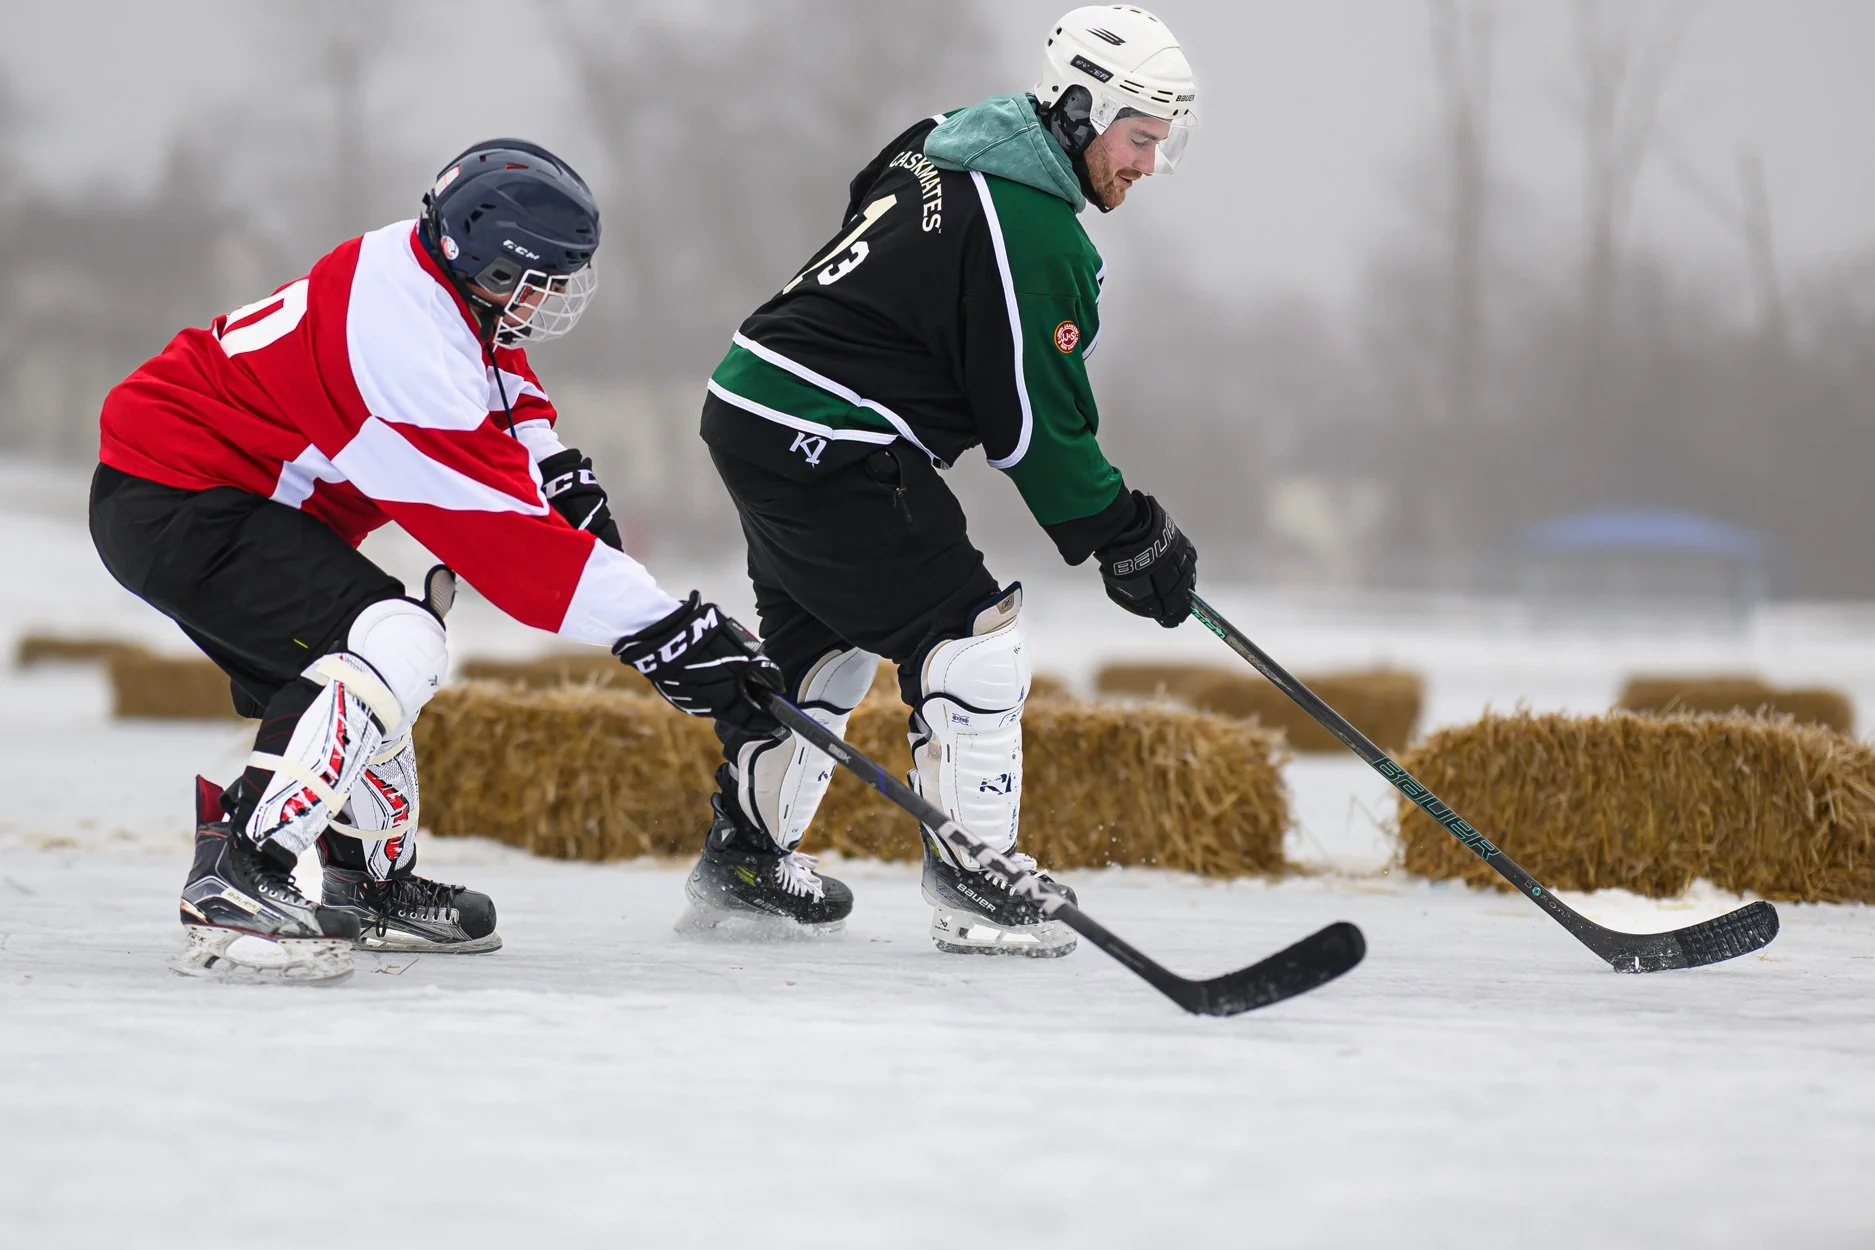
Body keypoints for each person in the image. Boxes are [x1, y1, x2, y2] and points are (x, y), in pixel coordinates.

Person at [91, 139, 782, 983]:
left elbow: (499, 371)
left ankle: (366, 884)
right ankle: (241, 873)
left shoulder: (430, 273)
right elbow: (507, 550)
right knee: (397, 638)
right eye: (522, 284)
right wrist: (667, 634)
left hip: (210, 493)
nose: (537, 303)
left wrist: (554, 470)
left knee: (368, 670)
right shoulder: (399, 351)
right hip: (181, 499)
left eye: (551, 285)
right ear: (474, 259)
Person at [687, 6, 1202, 955]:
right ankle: (979, 882)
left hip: (749, 404)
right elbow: (1035, 425)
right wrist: (1124, 532)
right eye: (1138, 138)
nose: (1145, 166)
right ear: (1082, 109)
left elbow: (867, 211)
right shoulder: (1035, 229)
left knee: (828, 645)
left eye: (1162, 146)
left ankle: (746, 862)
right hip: (828, 434)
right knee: (973, 644)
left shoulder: (942, 135)